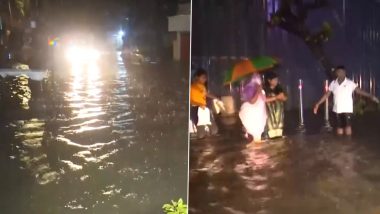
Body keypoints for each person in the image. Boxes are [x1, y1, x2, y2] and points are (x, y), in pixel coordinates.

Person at [313, 66, 379, 136]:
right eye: (339, 72)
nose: (341, 74)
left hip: (347, 110)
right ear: (336, 73)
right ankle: (341, 144)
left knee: (348, 127)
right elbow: (327, 95)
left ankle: (348, 143)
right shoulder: (333, 83)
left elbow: (359, 91)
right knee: (339, 127)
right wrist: (318, 104)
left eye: (343, 72)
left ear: (345, 73)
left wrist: (370, 95)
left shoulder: (350, 83)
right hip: (337, 110)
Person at [190, 68, 219, 139]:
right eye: (203, 77)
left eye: (205, 78)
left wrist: (216, 97)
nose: (205, 79)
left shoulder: (202, 86)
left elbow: (206, 94)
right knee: (201, 134)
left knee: (214, 130)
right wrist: (199, 104)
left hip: (204, 109)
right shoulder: (191, 87)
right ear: (197, 77)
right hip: (195, 109)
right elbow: (190, 100)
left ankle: (208, 133)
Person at [239, 74, 267, 145]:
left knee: (258, 133)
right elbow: (252, 101)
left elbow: (264, 100)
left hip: (259, 113)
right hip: (251, 113)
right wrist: (258, 91)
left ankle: (257, 144)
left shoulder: (260, 89)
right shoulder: (249, 88)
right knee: (254, 131)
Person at [264, 72, 287, 139]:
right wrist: (276, 97)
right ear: (269, 80)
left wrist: (283, 97)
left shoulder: (279, 88)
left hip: (279, 115)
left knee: (279, 135)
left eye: (277, 79)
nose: (276, 81)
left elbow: (285, 98)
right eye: (274, 80)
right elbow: (264, 100)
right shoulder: (265, 89)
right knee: (272, 136)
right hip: (270, 115)